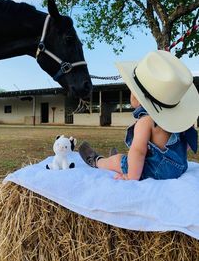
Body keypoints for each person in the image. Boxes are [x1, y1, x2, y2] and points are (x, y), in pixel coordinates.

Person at [79, 50, 199, 180]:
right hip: (180, 166)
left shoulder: (146, 121)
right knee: (135, 156)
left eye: (132, 89)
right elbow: (186, 145)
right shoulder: (179, 120)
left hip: (157, 171)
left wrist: (131, 177)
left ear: (140, 97)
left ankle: (98, 161)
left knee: (120, 160)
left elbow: (139, 152)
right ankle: (115, 158)